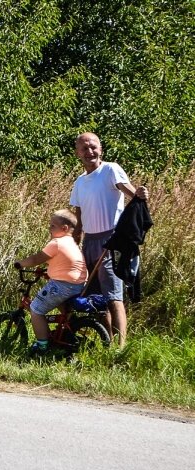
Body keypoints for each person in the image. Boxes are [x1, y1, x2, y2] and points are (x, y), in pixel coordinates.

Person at [69, 132, 149, 347]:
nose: (89, 152)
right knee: (97, 300)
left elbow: (131, 193)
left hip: (111, 239)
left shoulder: (110, 170)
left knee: (114, 296)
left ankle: (120, 348)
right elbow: (79, 215)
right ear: (77, 153)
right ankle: (107, 343)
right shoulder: (79, 182)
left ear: (101, 149)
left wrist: (140, 193)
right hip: (90, 242)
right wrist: (75, 240)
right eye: (84, 148)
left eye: (93, 147)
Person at [15, 209, 87, 353]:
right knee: (60, 304)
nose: (49, 229)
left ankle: (42, 346)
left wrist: (20, 264)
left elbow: (36, 259)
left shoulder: (57, 243)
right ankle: (66, 330)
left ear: (64, 228)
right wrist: (47, 271)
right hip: (79, 284)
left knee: (36, 309)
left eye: (52, 226)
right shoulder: (71, 243)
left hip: (63, 285)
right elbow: (61, 262)